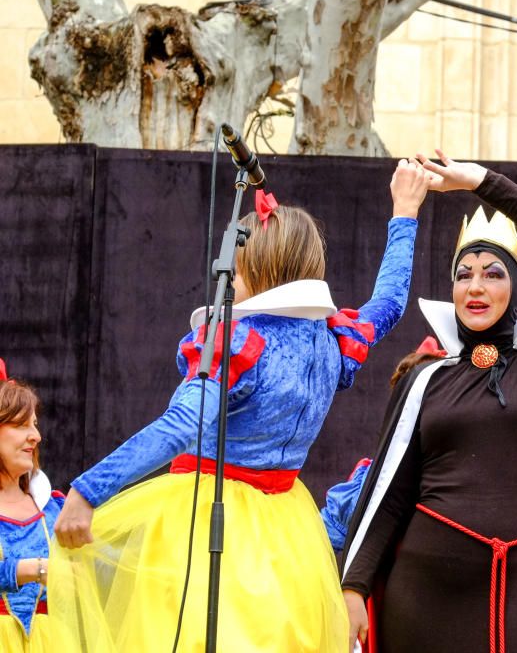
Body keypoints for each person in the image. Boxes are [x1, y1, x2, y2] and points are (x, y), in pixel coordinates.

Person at [47, 160, 432, 652]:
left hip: (209, 516)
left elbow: (184, 424)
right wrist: (405, 212)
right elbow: (392, 300)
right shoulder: (335, 340)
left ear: (258, 263)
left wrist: (88, 491)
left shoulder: (239, 342)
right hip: (287, 531)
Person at [337, 150, 517, 653]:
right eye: (464, 274)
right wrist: (354, 586)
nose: (475, 286)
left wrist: (480, 182)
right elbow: (390, 491)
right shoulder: (426, 378)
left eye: (493, 273)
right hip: (421, 597)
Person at [0, 361, 68, 651]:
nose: (36, 436)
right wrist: (31, 569)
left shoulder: (52, 507)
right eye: (20, 425)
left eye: (35, 425)